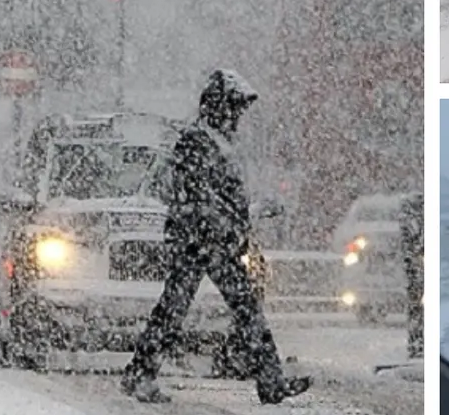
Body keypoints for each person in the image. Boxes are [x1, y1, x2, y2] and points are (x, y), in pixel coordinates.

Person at [121, 69, 311, 404]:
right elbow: (199, 196)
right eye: (235, 108)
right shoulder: (197, 141)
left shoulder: (215, 142)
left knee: (184, 308)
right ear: (220, 107)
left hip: (209, 240)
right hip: (203, 241)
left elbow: (217, 198)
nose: (238, 117)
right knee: (233, 308)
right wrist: (224, 226)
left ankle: (141, 372)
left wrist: (244, 216)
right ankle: (268, 380)